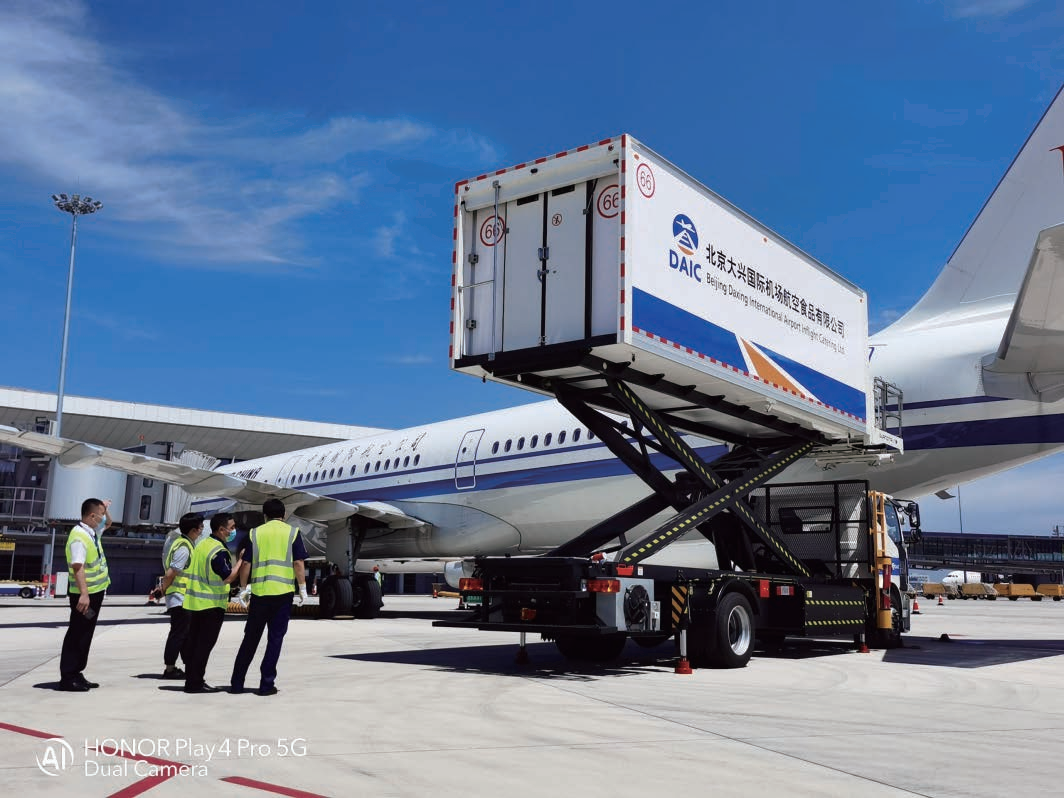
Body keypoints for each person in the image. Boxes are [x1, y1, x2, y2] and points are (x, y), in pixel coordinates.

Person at [230, 499, 308, 696]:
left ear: (265, 516)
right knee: (275, 640)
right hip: (283, 595)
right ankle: (266, 685)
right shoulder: (292, 533)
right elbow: (298, 562)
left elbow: (246, 563)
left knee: (250, 639)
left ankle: (237, 683)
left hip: (259, 594)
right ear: (284, 515)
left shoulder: (255, 533)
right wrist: (302, 587)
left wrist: (244, 589)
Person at [182, 512, 241, 693]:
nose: (234, 531)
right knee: (204, 646)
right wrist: (241, 561)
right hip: (211, 605)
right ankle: (195, 683)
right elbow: (228, 577)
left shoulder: (202, 544)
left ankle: (192, 680)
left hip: (195, 603)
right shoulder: (218, 551)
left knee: (194, 644)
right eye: (231, 528)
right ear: (221, 530)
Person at [58, 498, 111, 692]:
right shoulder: (79, 537)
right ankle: (68, 677)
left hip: (95, 594)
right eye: (101, 514)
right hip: (84, 597)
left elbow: (109, 523)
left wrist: (105, 509)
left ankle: (76, 673)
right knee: (77, 633)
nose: (103, 518)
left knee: (85, 633)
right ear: (92, 516)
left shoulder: (92, 532)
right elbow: (78, 567)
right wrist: (84, 594)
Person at [159, 513, 203, 678]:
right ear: (193, 530)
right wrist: (162, 589)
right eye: (200, 527)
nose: (202, 530)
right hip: (180, 598)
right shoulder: (184, 548)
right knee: (178, 634)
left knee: (184, 634)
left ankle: (186, 664)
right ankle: (169, 669)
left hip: (182, 598)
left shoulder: (185, 544)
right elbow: (171, 573)